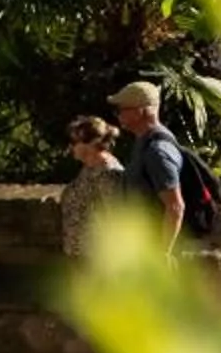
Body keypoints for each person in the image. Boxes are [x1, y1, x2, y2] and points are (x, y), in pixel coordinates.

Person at [108, 80, 185, 251]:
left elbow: (175, 206)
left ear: (140, 111)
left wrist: (163, 254)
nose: (118, 115)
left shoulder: (157, 151)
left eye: (121, 109)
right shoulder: (143, 143)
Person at [58, 117, 123, 260]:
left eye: (74, 142)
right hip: (81, 255)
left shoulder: (108, 172)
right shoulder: (90, 167)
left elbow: (116, 217)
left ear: (92, 143)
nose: (70, 148)